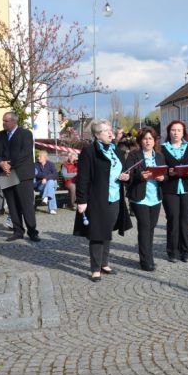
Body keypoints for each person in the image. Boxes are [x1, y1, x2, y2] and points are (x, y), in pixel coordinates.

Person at [73, 120, 132, 282]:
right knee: (97, 233)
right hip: (97, 199)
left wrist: (126, 177)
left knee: (107, 231)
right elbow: (83, 178)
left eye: (110, 130)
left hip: (115, 197)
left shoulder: (116, 150)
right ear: (97, 135)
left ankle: (104, 263)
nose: (111, 133)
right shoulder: (89, 151)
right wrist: (82, 200)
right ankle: (95, 268)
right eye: (106, 131)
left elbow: (123, 171)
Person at [0, 112, 40, 242]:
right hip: (5, 173)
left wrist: (9, 165)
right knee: (12, 205)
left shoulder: (26, 134)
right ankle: (18, 231)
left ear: (14, 121)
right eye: (3, 121)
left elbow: (25, 153)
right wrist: (1, 164)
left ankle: (32, 231)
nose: (3, 123)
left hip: (22, 174)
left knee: (26, 205)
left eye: (6, 121)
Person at [161, 120, 188, 263]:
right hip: (170, 189)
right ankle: (172, 251)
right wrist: (168, 172)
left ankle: (186, 251)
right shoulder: (162, 148)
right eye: (173, 130)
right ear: (169, 132)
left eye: (179, 130)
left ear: (183, 132)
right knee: (172, 219)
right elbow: (159, 166)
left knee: (186, 220)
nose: (176, 133)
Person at [126, 127, 165, 271]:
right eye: (145, 138)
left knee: (151, 228)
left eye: (150, 138)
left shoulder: (159, 156)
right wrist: (140, 176)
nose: (147, 141)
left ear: (154, 141)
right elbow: (128, 174)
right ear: (140, 140)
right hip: (139, 197)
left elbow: (165, 174)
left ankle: (148, 255)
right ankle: (146, 261)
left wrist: (163, 177)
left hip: (155, 197)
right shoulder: (134, 155)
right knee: (144, 227)